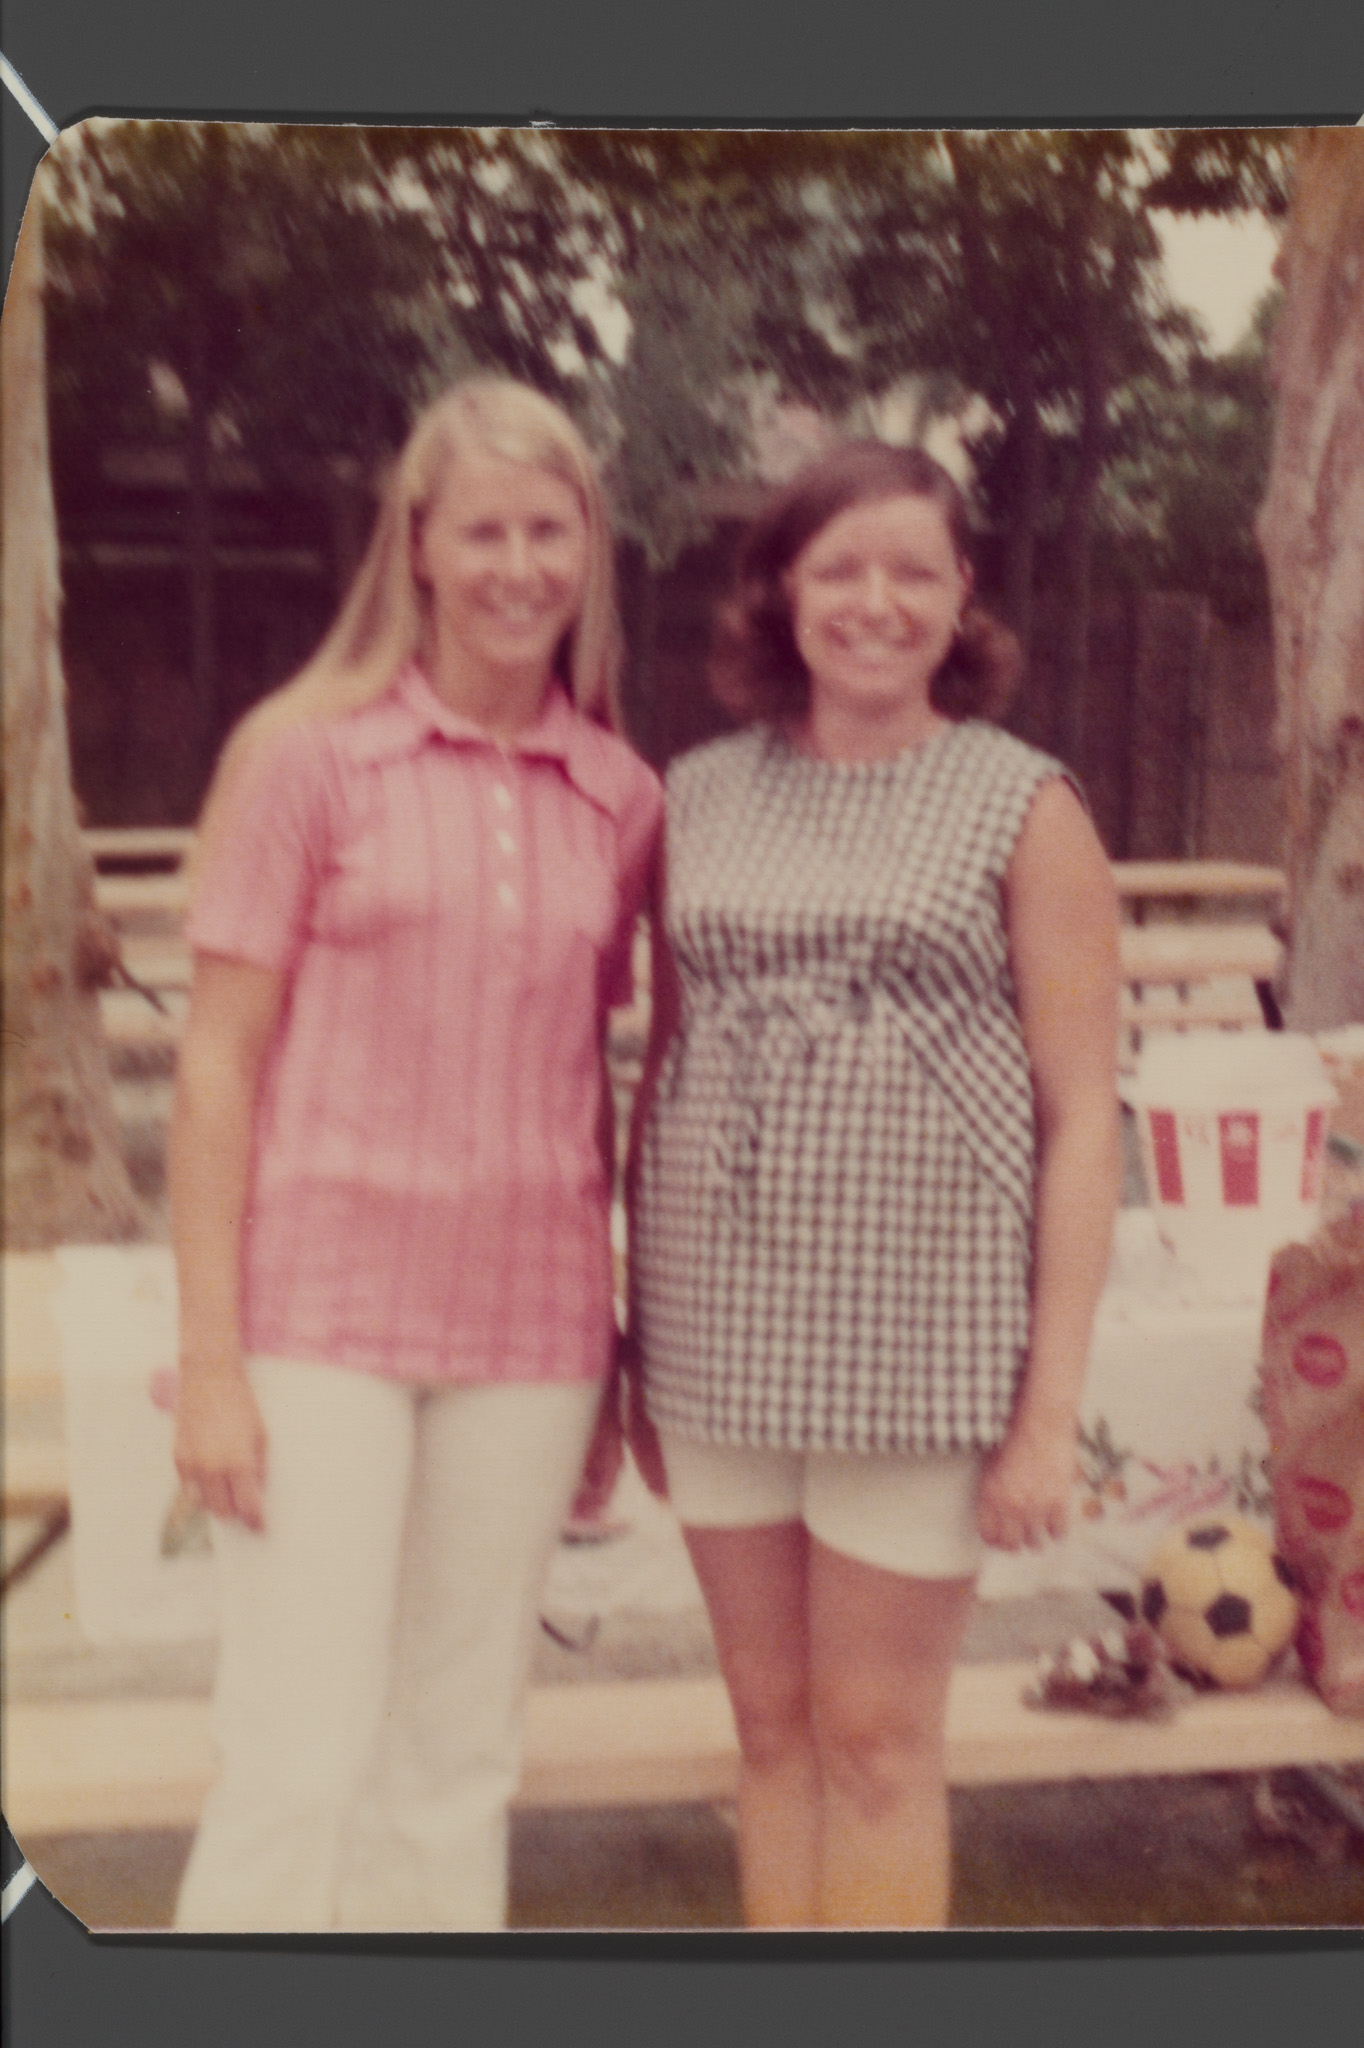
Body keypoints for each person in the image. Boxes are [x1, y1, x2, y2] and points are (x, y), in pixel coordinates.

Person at [170, 377, 662, 1932]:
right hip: (319, 1325)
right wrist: (211, 1365)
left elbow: (585, 1076)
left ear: (587, 550)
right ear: (421, 548)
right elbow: (214, 1068)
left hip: (531, 1339)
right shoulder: (306, 759)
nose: (518, 567)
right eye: (485, 533)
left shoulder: (620, 795)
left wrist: (610, 1346)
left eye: (549, 532)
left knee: (456, 1764)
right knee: (299, 1757)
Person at [624, 440, 1121, 1929]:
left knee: (880, 1746)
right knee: (771, 1734)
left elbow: (1082, 1119)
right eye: (839, 569)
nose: (875, 602)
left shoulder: (1024, 804)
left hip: (920, 1338)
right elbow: (664, 1064)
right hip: (717, 1326)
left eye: (913, 569)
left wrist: (1047, 1412)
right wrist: (638, 1347)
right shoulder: (699, 792)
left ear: (962, 593)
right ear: (782, 591)